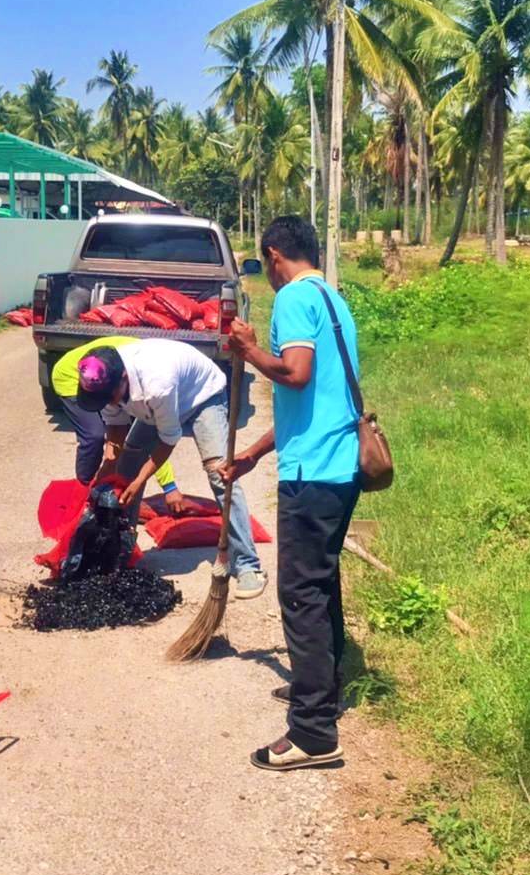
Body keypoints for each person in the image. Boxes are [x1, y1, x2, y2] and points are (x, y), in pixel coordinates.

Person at [222, 216, 360, 770]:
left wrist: (250, 351)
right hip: (340, 465)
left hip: (314, 473)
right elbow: (318, 400)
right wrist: (254, 455)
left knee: (300, 596)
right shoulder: (332, 298)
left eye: (267, 265)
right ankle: (322, 687)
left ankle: (313, 734)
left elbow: (297, 374)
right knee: (321, 587)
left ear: (274, 256)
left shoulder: (293, 301)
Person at [75, 338, 266, 598]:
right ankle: (120, 553)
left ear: (122, 379)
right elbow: (116, 427)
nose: (107, 402)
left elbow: (168, 440)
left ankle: (248, 565)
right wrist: (110, 463)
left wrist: (140, 480)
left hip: (200, 396)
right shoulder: (108, 381)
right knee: (124, 472)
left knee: (220, 474)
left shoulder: (157, 385)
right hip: (156, 405)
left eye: (108, 397)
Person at [50, 336, 188, 514]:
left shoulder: (149, 377)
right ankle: (83, 496)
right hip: (70, 376)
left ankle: (101, 490)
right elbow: (116, 430)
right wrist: (110, 461)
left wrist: (169, 487)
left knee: (133, 436)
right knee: (94, 436)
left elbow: (153, 439)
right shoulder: (124, 372)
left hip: (107, 379)